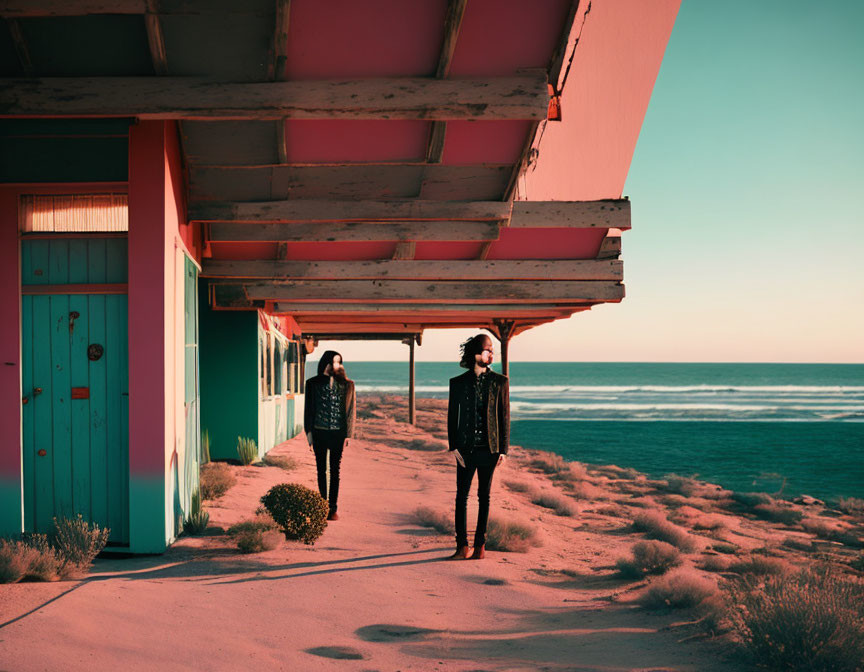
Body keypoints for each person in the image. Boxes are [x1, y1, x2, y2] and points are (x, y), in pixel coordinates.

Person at [447, 333, 510, 560]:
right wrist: (453, 447)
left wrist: (504, 449)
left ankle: (480, 546)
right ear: (475, 353)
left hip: (490, 450)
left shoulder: (500, 382)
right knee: (461, 497)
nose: (491, 353)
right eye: (487, 349)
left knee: (485, 496)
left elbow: (504, 417)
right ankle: (462, 546)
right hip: (464, 450)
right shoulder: (458, 383)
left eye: (492, 350)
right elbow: (452, 416)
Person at [304, 350, 355, 521]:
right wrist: (308, 433)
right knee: (321, 469)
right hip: (318, 431)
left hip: (337, 434)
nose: (337, 365)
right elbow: (309, 410)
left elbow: (350, 411)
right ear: (326, 363)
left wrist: (348, 433)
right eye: (334, 362)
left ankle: (332, 508)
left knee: (335, 470)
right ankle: (321, 505)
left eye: (339, 362)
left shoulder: (348, 385)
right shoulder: (312, 383)